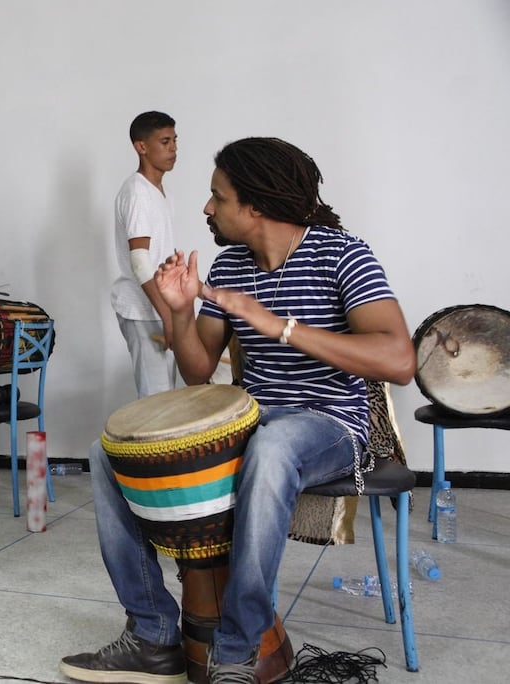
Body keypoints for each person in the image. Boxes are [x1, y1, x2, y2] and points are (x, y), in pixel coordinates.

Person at [61, 137, 415, 683]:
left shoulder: (342, 253)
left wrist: (283, 327)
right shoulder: (230, 266)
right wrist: (179, 314)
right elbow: (198, 371)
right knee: (108, 453)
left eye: (217, 197)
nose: (207, 208)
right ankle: (153, 633)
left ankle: (237, 649)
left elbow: (398, 358)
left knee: (273, 448)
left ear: (254, 205)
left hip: (334, 424)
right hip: (254, 419)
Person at [111, 111, 180, 398]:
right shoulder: (138, 193)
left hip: (158, 308)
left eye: (175, 140)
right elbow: (140, 261)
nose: (174, 149)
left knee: (167, 398)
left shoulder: (156, 190)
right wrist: (166, 314)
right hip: (144, 310)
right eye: (165, 142)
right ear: (141, 147)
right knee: (156, 402)